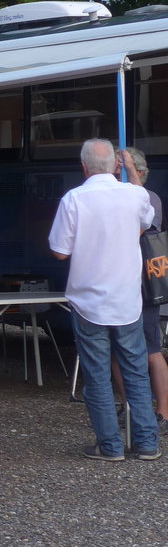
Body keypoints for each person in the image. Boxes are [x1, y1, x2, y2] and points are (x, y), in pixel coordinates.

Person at [49, 138, 159, 461]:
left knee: (97, 375)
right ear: (116, 165)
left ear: (83, 167)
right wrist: (131, 173)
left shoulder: (74, 199)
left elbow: (59, 251)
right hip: (127, 300)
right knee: (136, 373)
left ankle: (109, 446)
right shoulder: (134, 194)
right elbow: (147, 217)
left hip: (89, 303)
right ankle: (148, 443)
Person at [118, 147, 168, 428]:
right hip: (128, 282)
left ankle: (163, 411)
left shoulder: (147, 198)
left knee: (150, 349)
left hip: (143, 284)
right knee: (119, 349)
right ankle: (131, 409)